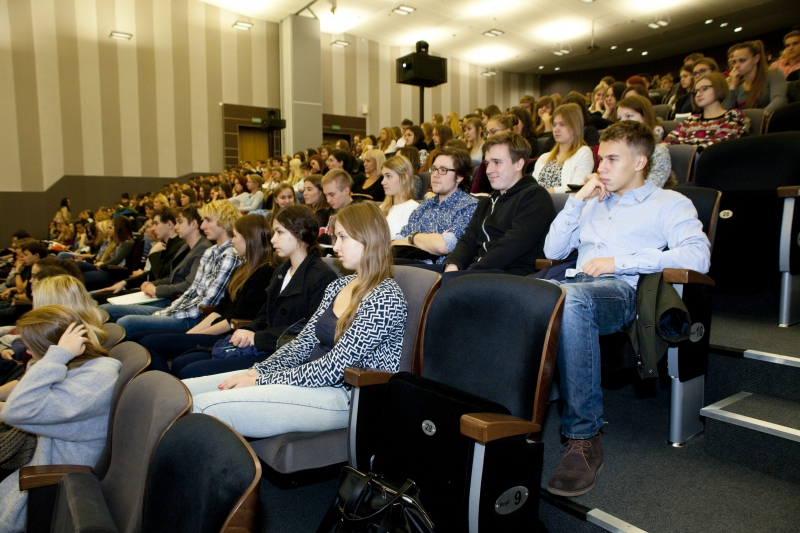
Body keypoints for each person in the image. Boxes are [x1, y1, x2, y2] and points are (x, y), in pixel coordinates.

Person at [542, 121, 710, 497]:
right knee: (512, 297)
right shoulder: (594, 199)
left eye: (612, 159)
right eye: (601, 158)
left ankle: (584, 438)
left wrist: (621, 262)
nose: (601, 166)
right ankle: (506, 417)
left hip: (622, 293)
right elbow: (552, 251)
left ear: (640, 162)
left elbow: (699, 256)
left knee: (572, 301)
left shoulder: (669, 202)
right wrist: (578, 200)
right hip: (574, 283)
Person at [182, 201, 408, 440]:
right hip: (307, 380)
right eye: (335, 237)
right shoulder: (339, 285)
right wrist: (257, 371)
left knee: (202, 408)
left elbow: (333, 369)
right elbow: (302, 344)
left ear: (368, 238)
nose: (335, 245)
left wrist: (261, 380)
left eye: (343, 237)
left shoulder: (386, 297)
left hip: (346, 396)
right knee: (183, 394)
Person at [168, 205, 339, 379]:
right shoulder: (282, 271)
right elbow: (264, 315)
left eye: (279, 232)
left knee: (189, 370)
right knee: (183, 362)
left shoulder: (321, 276)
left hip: (286, 357)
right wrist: (247, 331)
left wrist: (257, 338)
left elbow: (309, 333)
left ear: (299, 232)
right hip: (266, 346)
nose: (272, 240)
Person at [0, 306, 121, 531]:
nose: (25, 350)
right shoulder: (84, 368)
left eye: (30, 346)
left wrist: (58, 355)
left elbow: (15, 411)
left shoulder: (93, 383)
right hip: (48, 462)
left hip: (53, 482)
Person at [135, 215, 276, 373]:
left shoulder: (266, 272)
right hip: (218, 328)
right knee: (141, 338)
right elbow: (221, 308)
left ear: (250, 239)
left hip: (227, 334)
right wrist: (193, 332)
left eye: (235, 236)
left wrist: (199, 334)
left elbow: (235, 318)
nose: (232, 241)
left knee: (150, 343)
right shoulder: (243, 268)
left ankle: (164, 390)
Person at [114, 201, 242, 338]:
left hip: (197, 319)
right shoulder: (211, 251)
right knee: (117, 313)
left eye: (208, 220)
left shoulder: (230, 255)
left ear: (224, 222)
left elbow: (209, 302)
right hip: (185, 311)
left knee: (127, 322)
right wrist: (167, 312)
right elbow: (192, 291)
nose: (202, 225)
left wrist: (168, 314)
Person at [444, 132, 555, 277]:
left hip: (512, 277)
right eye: (488, 163)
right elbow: (468, 241)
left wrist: (467, 274)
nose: (489, 170)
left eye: (497, 162)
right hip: (479, 272)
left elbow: (511, 246)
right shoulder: (486, 202)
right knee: (420, 277)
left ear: (519, 164)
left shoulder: (535, 197)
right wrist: (453, 265)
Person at [99, 205, 211, 321]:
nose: (176, 226)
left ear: (193, 224)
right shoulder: (186, 247)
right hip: (171, 298)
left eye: (179, 222)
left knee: (117, 315)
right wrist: (152, 284)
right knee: (104, 307)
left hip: (178, 304)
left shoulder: (201, 249)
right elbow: (172, 278)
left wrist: (156, 289)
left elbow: (188, 285)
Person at [394, 147, 478, 264]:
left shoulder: (469, 206)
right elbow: (396, 241)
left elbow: (443, 246)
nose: (435, 175)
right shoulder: (426, 204)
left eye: (443, 170)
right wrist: (428, 241)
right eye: (434, 169)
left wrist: (412, 237)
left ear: (459, 176)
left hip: (436, 274)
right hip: (406, 264)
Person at [93, 207, 188, 306]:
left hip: (161, 295)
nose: (152, 228)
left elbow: (163, 276)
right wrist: (124, 283)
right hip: (151, 290)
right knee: (96, 296)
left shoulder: (178, 247)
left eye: (156, 224)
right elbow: (151, 274)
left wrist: (153, 253)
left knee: (99, 300)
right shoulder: (164, 245)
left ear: (169, 224)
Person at [667, 73, 746, 148]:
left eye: (704, 89)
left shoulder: (733, 115)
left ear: (718, 88)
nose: (698, 94)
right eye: (696, 91)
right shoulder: (691, 119)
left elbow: (716, 146)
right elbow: (670, 140)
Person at [533, 103, 595, 193]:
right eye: (554, 125)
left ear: (575, 126)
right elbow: (532, 186)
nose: (556, 129)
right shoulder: (544, 157)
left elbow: (577, 186)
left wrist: (546, 192)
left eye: (562, 124)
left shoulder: (583, 152)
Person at [615, 96, 673, 187]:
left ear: (645, 117)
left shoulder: (658, 151)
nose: (622, 122)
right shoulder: (617, 151)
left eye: (629, 116)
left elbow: (651, 188)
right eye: (619, 119)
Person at [726, 40, 787, 115]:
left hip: (771, 121)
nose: (736, 66)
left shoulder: (774, 74)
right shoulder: (738, 85)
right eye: (734, 62)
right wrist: (732, 86)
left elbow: (779, 100)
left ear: (756, 59)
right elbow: (725, 111)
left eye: (742, 60)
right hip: (747, 123)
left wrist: (758, 118)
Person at [79, 216, 136, 291]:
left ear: (119, 229)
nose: (107, 230)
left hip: (114, 274)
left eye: (110, 228)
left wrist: (102, 265)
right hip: (108, 271)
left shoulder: (127, 244)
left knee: (81, 274)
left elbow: (116, 260)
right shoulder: (118, 243)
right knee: (78, 266)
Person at [380, 155, 419, 240]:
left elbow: (400, 243)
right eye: (383, 176)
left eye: (389, 176)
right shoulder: (382, 207)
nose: (383, 182)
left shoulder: (412, 207)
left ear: (404, 178)